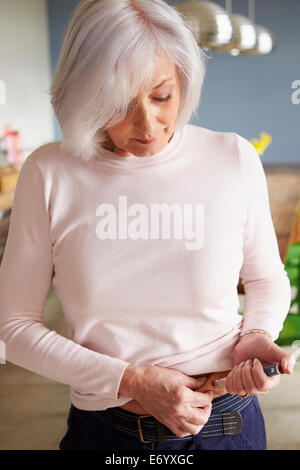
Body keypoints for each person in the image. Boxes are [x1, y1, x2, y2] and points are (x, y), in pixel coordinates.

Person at [0, 0, 294, 451]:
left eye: (162, 96)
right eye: (117, 103)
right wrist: (133, 380)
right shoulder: (50, 171)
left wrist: (256, 335)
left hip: (227, 426)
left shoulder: (232, 158)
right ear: (83, 93)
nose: (148, 124)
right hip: (110, 432)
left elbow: (265, 278)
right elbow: (13, 327)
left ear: (183, 80)